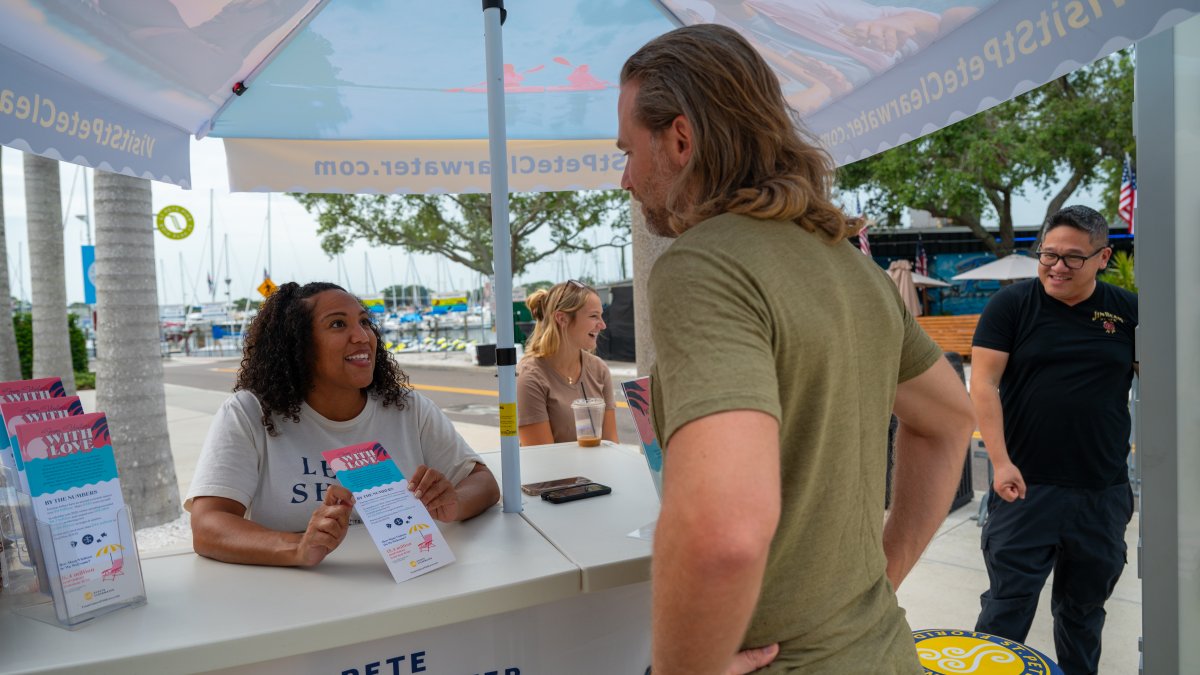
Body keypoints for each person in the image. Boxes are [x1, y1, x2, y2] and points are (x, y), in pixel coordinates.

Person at [618, 24, 975, 674]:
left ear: (679, 139)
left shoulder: (702, 264)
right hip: (883, 650)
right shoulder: (850, 265)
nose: (624, 178)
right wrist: (882, 577)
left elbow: (723, 532)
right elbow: (950, 419)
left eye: (628, 151)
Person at [187, 282, 499, 567]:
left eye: (365, 322)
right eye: (338, 324)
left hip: (411, 585)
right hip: (296, 598)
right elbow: (208, 524)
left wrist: (453, 503)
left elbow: (483, 482)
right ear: (298, 345)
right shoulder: (250, 413)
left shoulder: (409, 408)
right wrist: (298, 548)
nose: (362, 336)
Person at [972, 205, 1137, 674]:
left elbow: (1165, 384)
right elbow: (982, 386)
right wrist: (1000, 463)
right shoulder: (1012, 306)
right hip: (1025, 487)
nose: (1057, 266)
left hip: (1101, 493)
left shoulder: (1127, 312)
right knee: (1006, 609)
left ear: (1103, 257)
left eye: (1072, 258)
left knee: (1083, 613)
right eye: (1048, 254)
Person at [516, 280, 618, 446]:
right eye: (593, 316)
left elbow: (611, 444)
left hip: (598, 471)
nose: (603, 325)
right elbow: (543, 459)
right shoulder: (529, 377)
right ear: (562, 318)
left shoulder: (599, 370)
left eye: (601, 316)